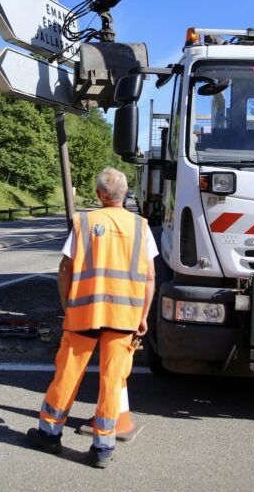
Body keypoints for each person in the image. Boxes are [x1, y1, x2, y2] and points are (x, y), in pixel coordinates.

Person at [27, 167, 157, 468]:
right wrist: (143, 316)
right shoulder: (141, 227)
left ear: (99, 194)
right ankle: (102, 449)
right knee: (112, 380)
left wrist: (67, 305)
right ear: (125, 194)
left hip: (84, 313)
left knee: (68, 374)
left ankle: (49, 434)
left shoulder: (84, 222)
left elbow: (65, 268)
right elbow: (150, 276)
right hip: (124, 315)